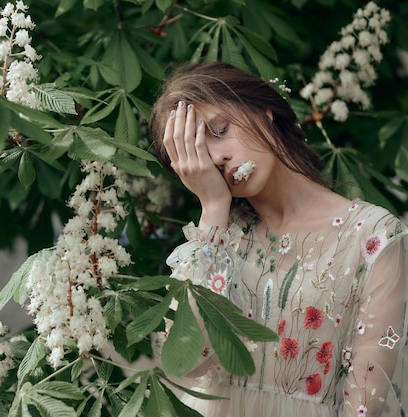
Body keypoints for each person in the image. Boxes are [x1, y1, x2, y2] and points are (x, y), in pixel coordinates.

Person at [149, 61, 408, 417]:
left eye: (220, 130)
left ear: (264, 111)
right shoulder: (216, 240)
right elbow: (185, 361)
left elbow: (367, 404)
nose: (218, 158)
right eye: (198, 155)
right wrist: (212, 209)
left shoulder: (374, 238)